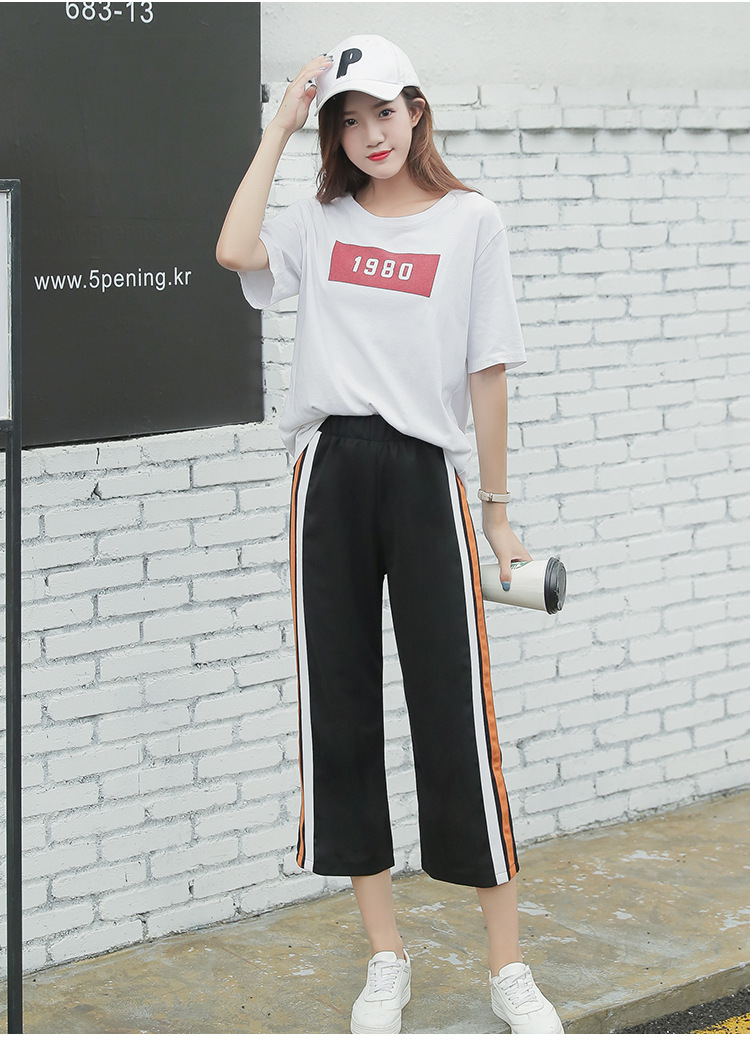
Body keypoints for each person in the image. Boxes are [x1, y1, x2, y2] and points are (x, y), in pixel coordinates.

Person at [216, 34, 564, 1036]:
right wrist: (281, 126)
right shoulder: (320, 221)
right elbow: (235, 250)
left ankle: (508, 965)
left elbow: (488, 368)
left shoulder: (470, 221)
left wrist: (496, 514)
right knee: (340, 713)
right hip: (329, 472)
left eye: (384, 111)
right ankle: (385, 954)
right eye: (349, 120)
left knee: (456, 715)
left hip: (423, 475)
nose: (370, 134)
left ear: (416, 111)